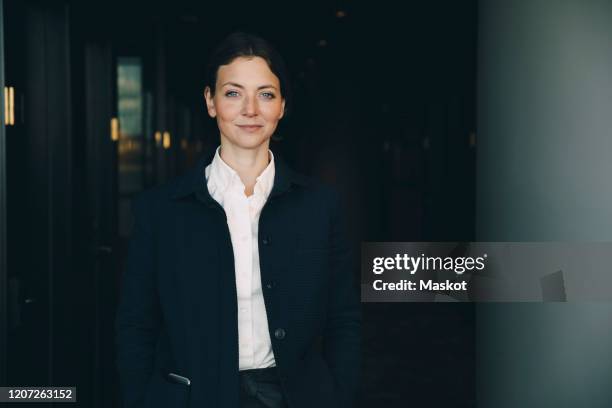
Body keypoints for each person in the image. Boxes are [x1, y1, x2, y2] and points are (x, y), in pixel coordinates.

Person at [115, 32, 361, 408]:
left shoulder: (321, 206)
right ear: (210, 102)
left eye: (265, 94)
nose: (250, 109)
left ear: (281, 106)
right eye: (233, 93)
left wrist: (339, 395)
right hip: (192, 397)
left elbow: (344, 319)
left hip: (294, 396)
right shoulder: (160, 210)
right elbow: (136, 326)